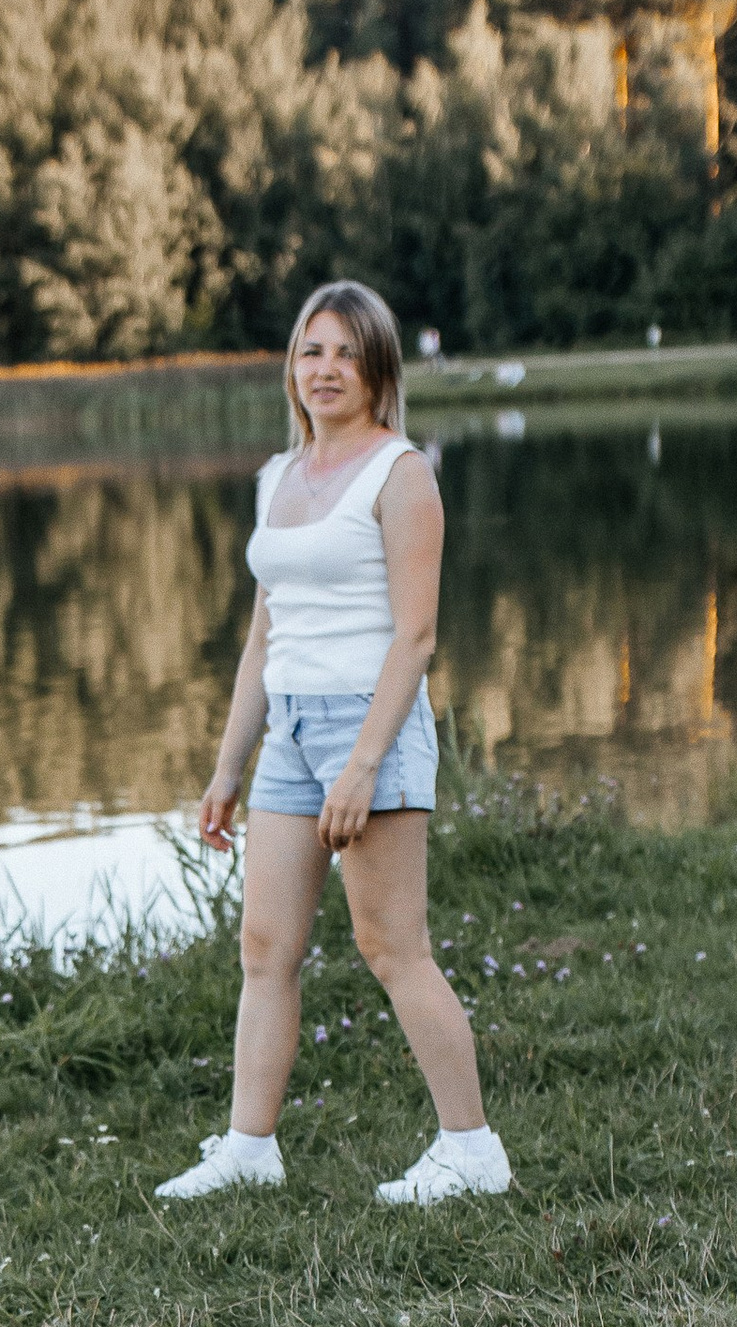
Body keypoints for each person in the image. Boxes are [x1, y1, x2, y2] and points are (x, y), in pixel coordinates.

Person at [158, 280, 508, 1212]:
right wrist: (228, 767)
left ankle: (471, 1149)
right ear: (292, 365)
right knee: (265, 946)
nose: (325, 370)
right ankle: (248, 1147)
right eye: (312, 351)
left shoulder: (400, 474)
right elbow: (263, 635)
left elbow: (417, 636)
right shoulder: (279, 478)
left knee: (392, 946)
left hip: (371, 723)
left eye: (345, 353)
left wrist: (361, 766)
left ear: (378, 370)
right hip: (289, 729)